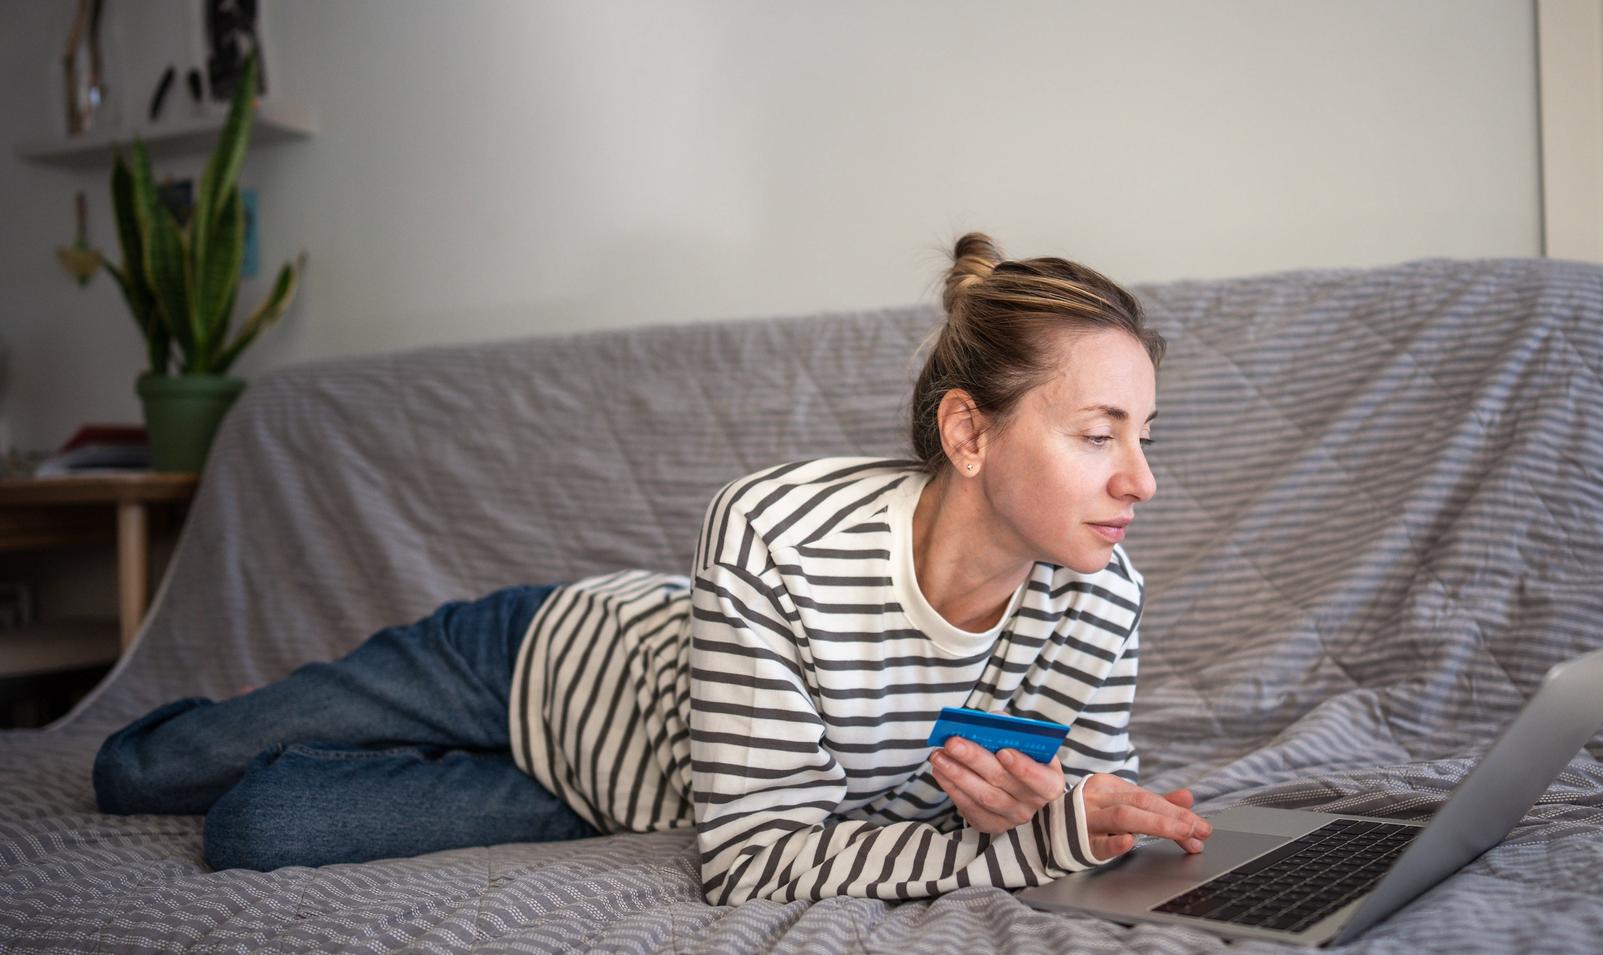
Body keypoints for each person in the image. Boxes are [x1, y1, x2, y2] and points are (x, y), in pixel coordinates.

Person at [93, 232, 1213, 904]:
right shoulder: (773, 534)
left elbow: (1057, 812)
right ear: (968, 435)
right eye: (1096, 433)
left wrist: (1061, 817)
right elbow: (777, 861)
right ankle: (320, 721)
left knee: (257, 833)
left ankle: (370, 764)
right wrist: (1019, 843)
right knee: (142, 776)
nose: (1140, 483)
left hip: (635, 797)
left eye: (1144, 436)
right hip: (541, 661)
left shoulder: (1100, 596)